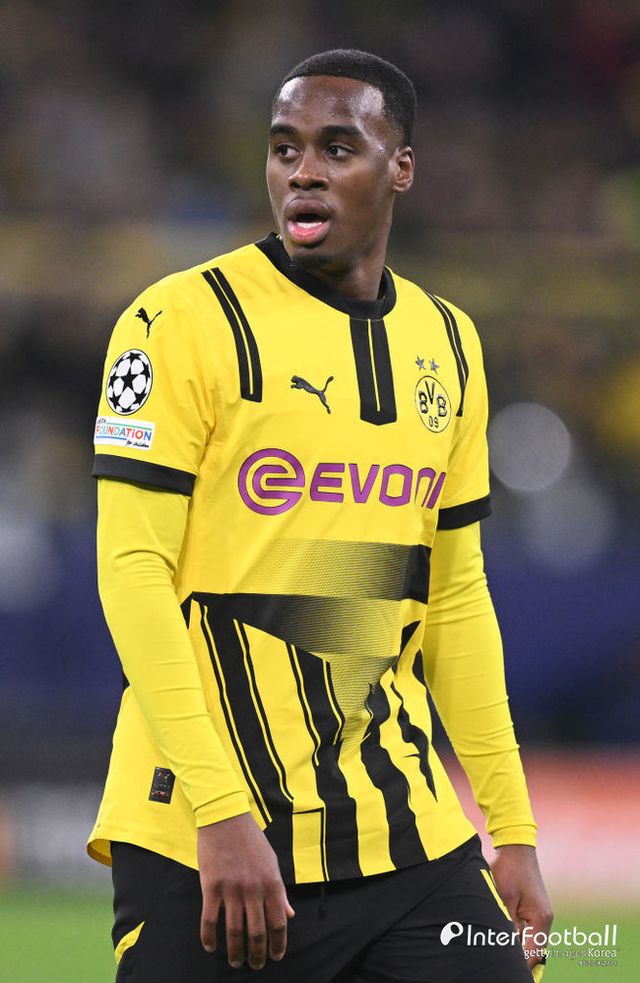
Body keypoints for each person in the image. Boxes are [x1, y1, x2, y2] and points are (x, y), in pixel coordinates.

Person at [89, 49, 552, 983]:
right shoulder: (181, 321)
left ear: (401, 167)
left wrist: (512, 826)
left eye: (337, 148)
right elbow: (132, 573)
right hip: (208, 833)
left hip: (404, 832)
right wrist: (221, 810)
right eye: (284, 148)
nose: (303, 170)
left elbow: (455, 599)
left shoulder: (449, 343)